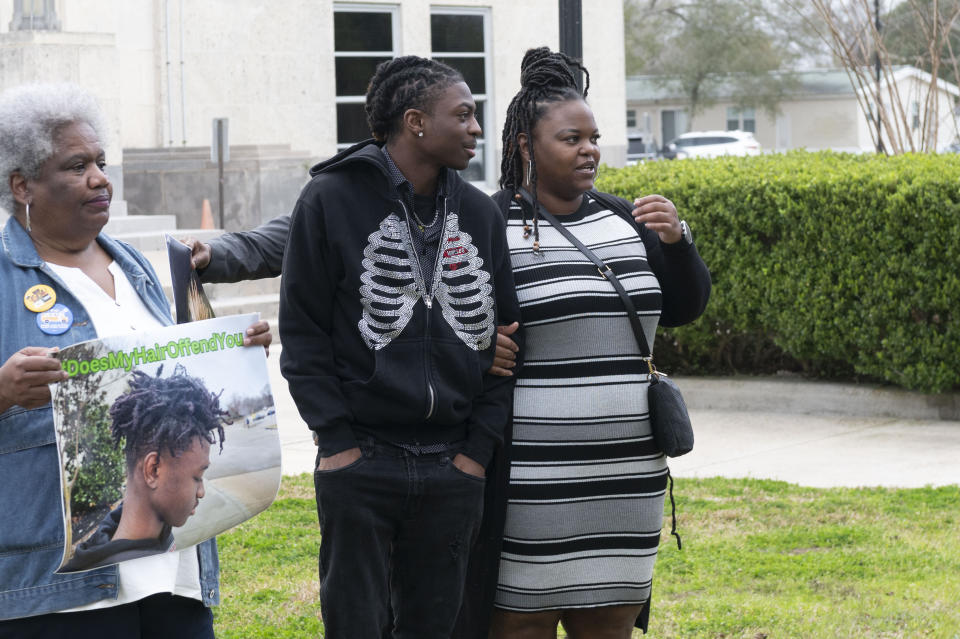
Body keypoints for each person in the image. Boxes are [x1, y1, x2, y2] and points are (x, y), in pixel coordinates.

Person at [0, 83, 270, 637]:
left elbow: (173, 381)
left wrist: (231, 349)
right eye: (77, 166)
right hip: (63, 593)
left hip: (174, 570)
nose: (101, 178)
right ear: (22, 184)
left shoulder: (138, 268)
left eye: (101, 161)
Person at [278, 56, 522, 639]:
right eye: (462, 115)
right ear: (415, 121)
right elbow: (303, 333)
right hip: (362, 459)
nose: (476, 129)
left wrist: (476, 454)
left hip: (453, 464)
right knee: (355, 624)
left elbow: (508, 341)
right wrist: (337, 443)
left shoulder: (480, 213)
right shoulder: (329, 200)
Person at [477, 48, 711, 639]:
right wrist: (479, 352)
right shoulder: (487, 225)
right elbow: (456, 322)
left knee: (609, 624)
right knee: (520, 621)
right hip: (533, 478)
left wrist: (679, 244)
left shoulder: (623, 220)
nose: (590, 150)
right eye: (570, 138)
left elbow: (683, 309)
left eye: (594, 137)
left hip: (627, 473)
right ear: (527, 147)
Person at [62, 366, 228, 573]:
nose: (201, 492)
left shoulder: (141, 533)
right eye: (198, 477)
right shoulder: (120, 577)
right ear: (153, 470)